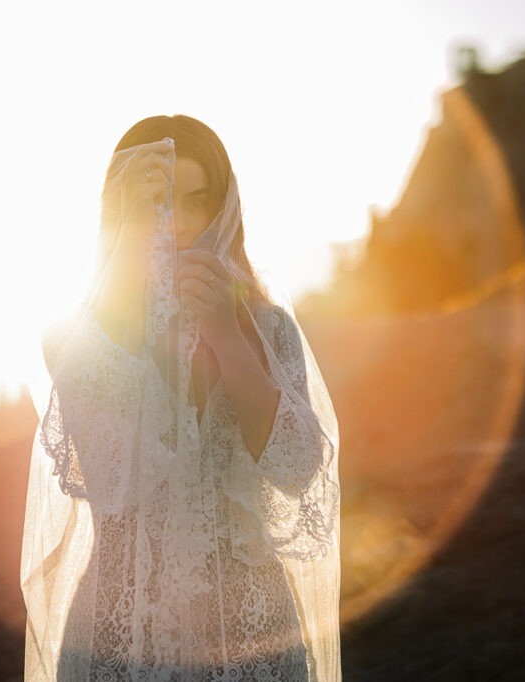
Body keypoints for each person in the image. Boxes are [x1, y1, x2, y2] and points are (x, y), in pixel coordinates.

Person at [20, 114, 341, 681]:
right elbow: (112, 472)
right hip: (119, 641)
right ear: (121, 211)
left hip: (252, 640)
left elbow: (298, 468)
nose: (180, 224)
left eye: (197, 201)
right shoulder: (75, 336)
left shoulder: (268, 328)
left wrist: (227, 335)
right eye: (157, 203)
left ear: (224, 208)